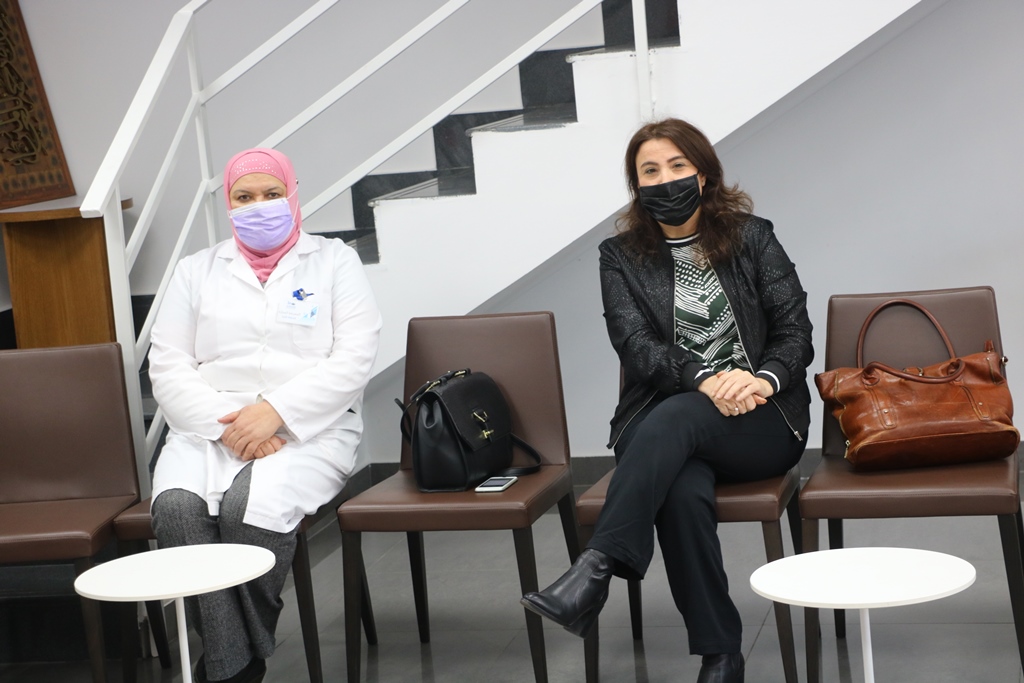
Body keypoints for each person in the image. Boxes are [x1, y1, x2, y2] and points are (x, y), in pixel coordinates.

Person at [521, 119, 813, 683]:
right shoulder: (619, 256)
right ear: (637, 185)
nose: (665, 179)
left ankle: (595, 569)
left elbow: (794, 330)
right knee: (680, 489)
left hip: (762, 418)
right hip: (666, 423)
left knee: (677, 416)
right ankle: (721, 656)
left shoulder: (753, 237)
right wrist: (702, 378)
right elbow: (634, 344)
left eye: (677, 166)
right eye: (650, 171)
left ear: (702, 174)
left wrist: (761, 380)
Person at [148, 148, 382, 683]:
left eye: (271, 194)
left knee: (247, 510)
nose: (259, 206)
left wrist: (276, 412)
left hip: (306, 431)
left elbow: (354, 357)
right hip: (210, 429)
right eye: (244, 197)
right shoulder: (195, 270)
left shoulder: (334, 261)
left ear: (293, 195)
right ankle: (239, 661)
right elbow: (167, 364)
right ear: (228, 205)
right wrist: (232, 425)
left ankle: (225, 666)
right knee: (177, 512)